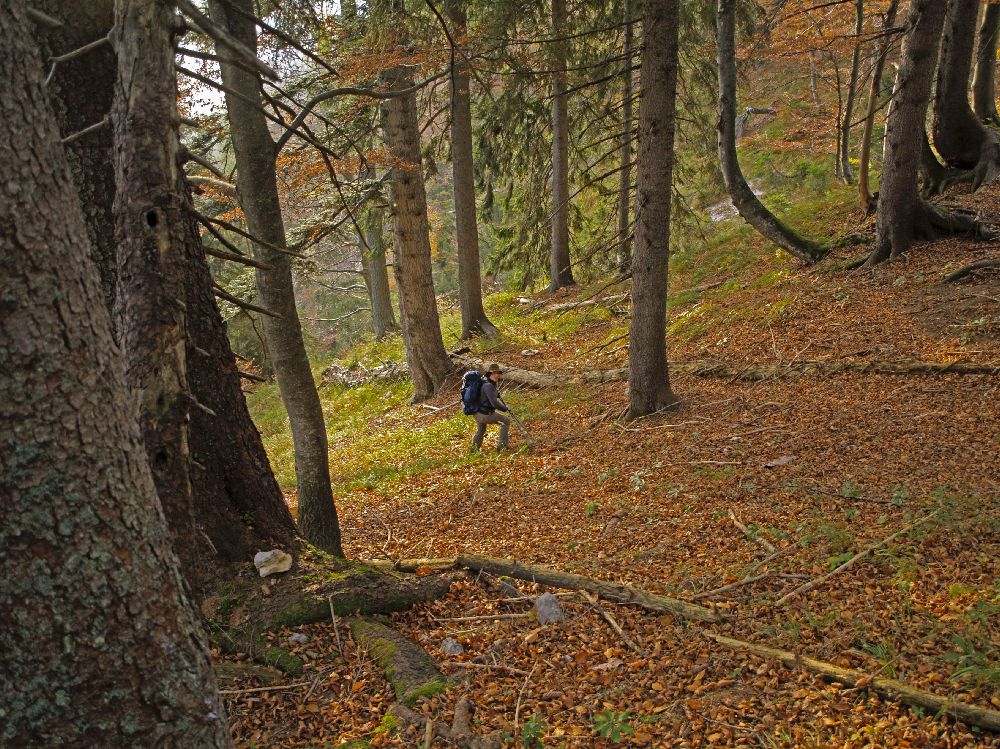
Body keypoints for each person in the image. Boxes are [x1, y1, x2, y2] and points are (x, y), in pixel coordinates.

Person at [471, 363, 511, 452]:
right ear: (489, 374)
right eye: (494, 373)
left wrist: (495, 393)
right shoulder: (488, 386)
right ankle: (502, 446)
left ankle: (473, 450)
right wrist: (505, 408)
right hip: (485, 415)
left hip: (477, 413)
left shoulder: (484, 382)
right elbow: (494, 404)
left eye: (498, 373)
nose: (497, 375)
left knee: (481, 429)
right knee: (506, 421)